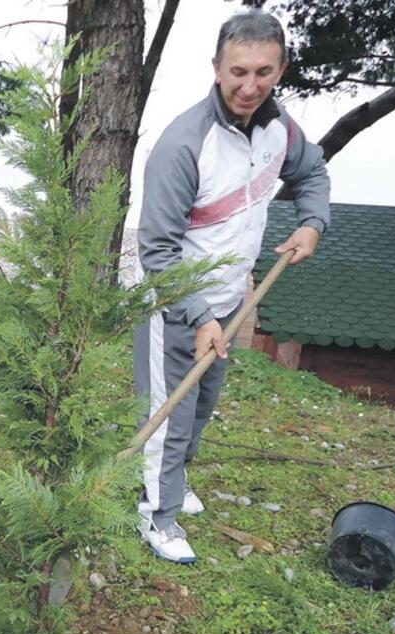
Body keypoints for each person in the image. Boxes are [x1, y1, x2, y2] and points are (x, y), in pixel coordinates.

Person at [133, 9, 330, 564]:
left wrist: (312, 223)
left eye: (264, 72)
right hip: (174, 305)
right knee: (170, 413)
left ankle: (172, 486)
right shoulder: (183, 144)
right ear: (216, 67)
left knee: (200, 408)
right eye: (238, 71)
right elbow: (157, 252)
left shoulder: (280, 128)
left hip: (233, 298)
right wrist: (198, 317)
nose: (250, 86)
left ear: (281, 68)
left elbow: (311, 173)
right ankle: (156, 512)